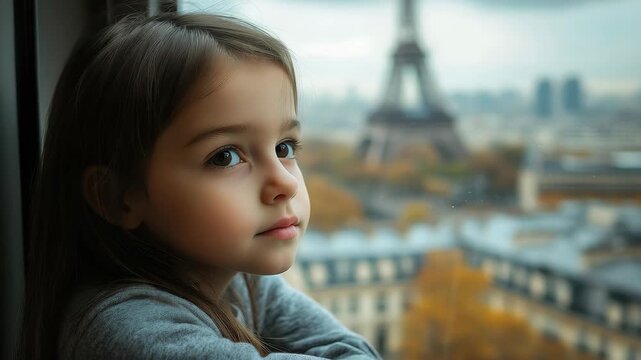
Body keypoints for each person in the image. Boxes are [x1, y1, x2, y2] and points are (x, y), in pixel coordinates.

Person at [19, 12, 381, 360]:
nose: (285, 183)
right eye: (225, 157)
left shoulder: (239, 279)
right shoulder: (128, 333)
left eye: (284, 148)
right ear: (118, 199)